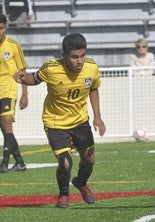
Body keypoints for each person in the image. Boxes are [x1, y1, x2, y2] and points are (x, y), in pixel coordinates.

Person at [14, 33, 107, 208]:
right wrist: (21, 77)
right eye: (74, 57)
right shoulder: (51, 68)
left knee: (90, 159)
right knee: (65, 162)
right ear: (64, 56)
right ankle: (63, 194)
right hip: (55, 122)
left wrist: (98, 116)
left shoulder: (91, 68)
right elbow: (33, 79)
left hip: (80, 121)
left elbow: (94, 88)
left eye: (82, 56)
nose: (79, 61)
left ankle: (80, 182)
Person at [0, 14, 28, 173]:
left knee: (6, 119)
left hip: (9, 85)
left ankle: (4, 163)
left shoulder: (13, 45)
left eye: (1, 28)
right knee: (5, 128)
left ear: (6, 27)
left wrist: (25, 94)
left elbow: (22, 70)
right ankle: (20, 162)